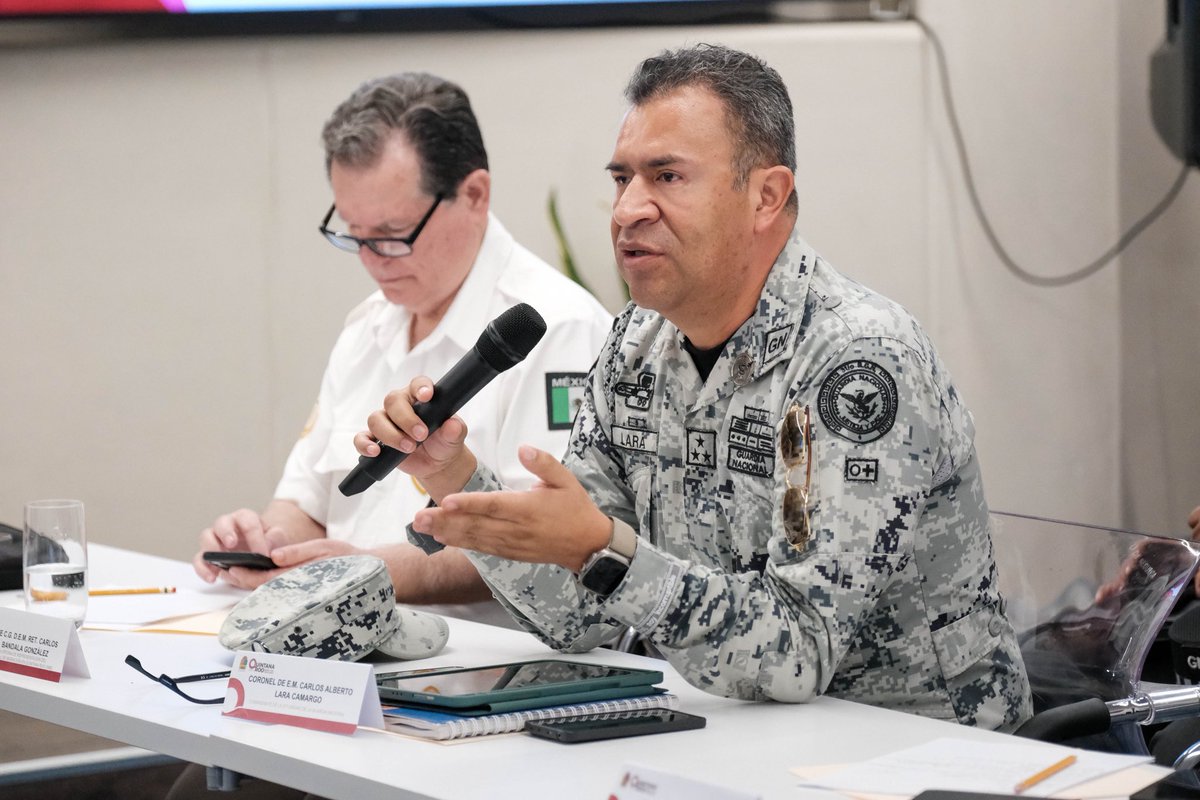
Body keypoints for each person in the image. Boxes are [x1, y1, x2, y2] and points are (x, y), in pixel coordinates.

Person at [356, 44, 1033, 732]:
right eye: (622, 179)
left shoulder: (857, 359)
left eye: (667, 176)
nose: (627, 210)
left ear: (765, 195)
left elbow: (800, 649)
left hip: (910, 748)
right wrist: (456, 474)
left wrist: (603, 551)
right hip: (724, 730)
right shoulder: (634, 347)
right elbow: (576, 616)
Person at [193, 72, 612, 629]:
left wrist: (366, 573)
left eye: (393, 234)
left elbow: (542, 550)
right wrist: (266, 543)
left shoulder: (555, 328)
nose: (373, 259)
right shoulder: (368, 326)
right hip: (347, 647)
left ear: (475, 194)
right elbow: (308, 503)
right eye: (353, 234)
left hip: (487, 668)